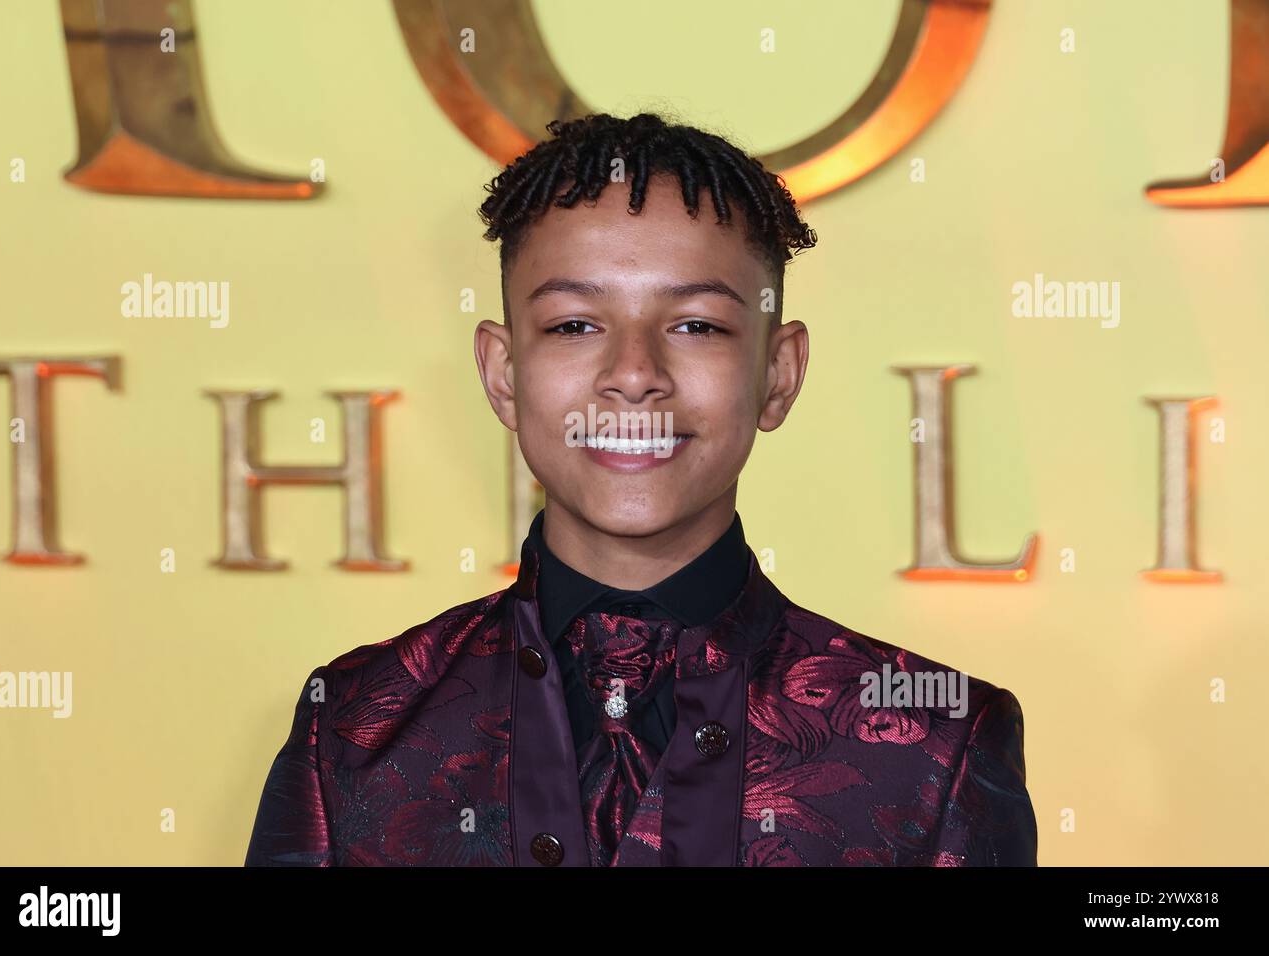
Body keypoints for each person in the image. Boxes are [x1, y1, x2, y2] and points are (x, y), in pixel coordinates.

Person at [244, 112, 1037, 866]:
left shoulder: (937, 742)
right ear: (502, 373)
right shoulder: (354, 726)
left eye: (696, 325)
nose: (632, 374)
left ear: (779, 373)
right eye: (573, 325)